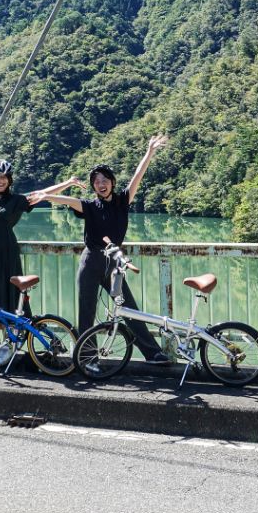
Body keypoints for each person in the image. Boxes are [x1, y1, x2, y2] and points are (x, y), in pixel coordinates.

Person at [29, 135, 172, 365]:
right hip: (91, 261)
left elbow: (137, 176)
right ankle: (87, 358)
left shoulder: (122, 201)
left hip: (114, 263)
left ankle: (152, 353)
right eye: (96, 181)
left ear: (112, 182)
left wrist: (149, 152)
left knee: (128, 307)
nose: (101, 183)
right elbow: (68, 201)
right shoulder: (89, 206)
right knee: (86, 311)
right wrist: (47, 196)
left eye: (105, 179)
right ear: (94, 186)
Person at [0, 132, 83, 367]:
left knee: (7, 296)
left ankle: (10, 345)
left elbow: (43, 195)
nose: (0, 180)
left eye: (4, 177)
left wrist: (68, 183)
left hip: (7, 252)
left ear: (9, 179)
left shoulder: (17, 200)